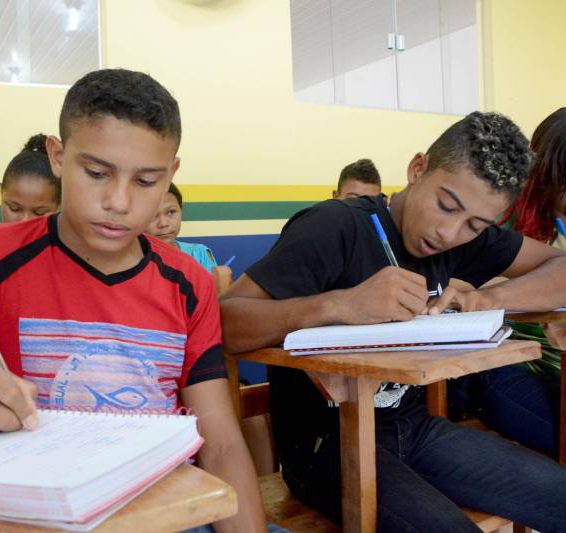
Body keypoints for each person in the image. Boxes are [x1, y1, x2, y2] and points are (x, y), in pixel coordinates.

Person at [0, 69, 268, 533]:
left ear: (172, 175)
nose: (118, 202)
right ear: (58, 156)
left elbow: (219, 442)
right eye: (97, 173)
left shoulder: (190, 283)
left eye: (145, 181)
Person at [220, 111, 566, 532]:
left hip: (413, 429)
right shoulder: (334, 227)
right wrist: (339, 305)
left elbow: (560, 266)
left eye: (475, 225)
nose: (449, 233)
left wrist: (492, 296)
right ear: (417, 169)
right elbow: (227, 319)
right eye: (445, 206)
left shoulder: (464, 239)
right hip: (328, 443)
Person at [478, 107, 566, 458]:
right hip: (507, 364)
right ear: (545, 174)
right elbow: (458, 285)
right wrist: (533, 294)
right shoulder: (504, 218)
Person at [147, 182, 218, 272]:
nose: (163, 223)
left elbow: (215, 285)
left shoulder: (199, 254)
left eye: (171, 212)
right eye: (152, 215)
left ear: (181, 210)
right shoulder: (129, 262)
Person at [0, 134, 60, 223]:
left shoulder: (73, 236)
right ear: (1, 192)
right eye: (14, 208)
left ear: (58, 206)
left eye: (39, 213)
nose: (25, 221)